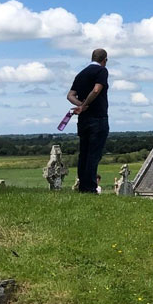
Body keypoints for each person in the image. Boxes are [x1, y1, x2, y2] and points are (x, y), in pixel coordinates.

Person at [67, 48, 110, 194]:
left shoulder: (81, 74)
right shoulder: (102, 71)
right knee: (93, 154)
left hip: (83, 120)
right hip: (98, 118)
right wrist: (85, 105)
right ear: (104, 60)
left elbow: (70, 95)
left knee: (84, 153)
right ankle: (90, 188)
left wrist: (80, 106)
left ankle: (82, 186)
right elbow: (97, 90)